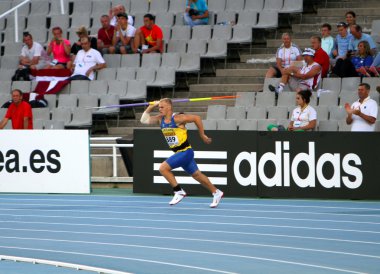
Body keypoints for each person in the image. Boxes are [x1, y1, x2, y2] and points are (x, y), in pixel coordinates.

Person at [140, 98, 224, 208]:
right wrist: (151, 106)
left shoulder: (178, 118)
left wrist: (202, 135)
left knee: (163, 168)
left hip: (185, 151)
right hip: (180, 153)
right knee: (197, 175)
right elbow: (143, 120)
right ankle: (216, 192)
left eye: (162, 107)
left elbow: (196, 118)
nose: (159, 109)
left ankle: (178, 191)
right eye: (159, 107)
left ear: (169, 107)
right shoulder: (160, 119)